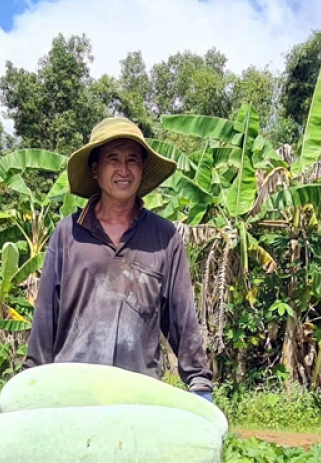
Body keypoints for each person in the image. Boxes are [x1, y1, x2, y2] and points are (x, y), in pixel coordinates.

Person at [23, 117, 215, 401]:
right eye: (113, 159)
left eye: (132, 160)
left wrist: (199, 383)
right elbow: (45, 316)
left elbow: (181, 317)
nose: (123, 170)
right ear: (96, 169)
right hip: (72, 391)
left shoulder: (164, 238)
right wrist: (32, 380)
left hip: (138, 394)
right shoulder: (68, 234)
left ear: (142, 169)